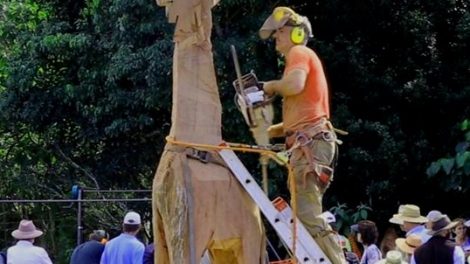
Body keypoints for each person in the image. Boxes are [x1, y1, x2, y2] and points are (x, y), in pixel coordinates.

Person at [259, 6, 345, 263]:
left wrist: (269, 87)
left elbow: (293, 86)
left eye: (280, 32)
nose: (276, 37)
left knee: (308, 216)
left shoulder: (299, 52)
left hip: (311, 144)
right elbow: (298, 120)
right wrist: (269, 131)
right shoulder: (301, 57)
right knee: (305, 216)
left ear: (297, 34)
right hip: (309, 141)